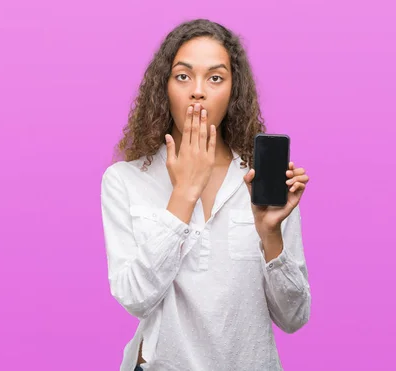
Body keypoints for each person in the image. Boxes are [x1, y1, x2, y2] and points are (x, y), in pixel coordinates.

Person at [100, 19, 311, 371]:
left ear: (233, 91)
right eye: (183, 76)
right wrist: (183, 193)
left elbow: (294, 317)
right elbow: (135, 298)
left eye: (215, 78)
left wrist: (270, 234)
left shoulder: (260, 180)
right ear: (164, 87)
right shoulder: (124, 180)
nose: (198, 91)